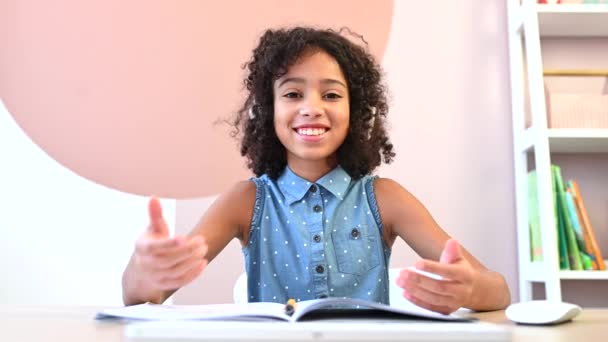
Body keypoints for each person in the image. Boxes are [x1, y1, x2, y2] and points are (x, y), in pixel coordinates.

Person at [121, 26, 511, 314]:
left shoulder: (385, 198)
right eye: (292, 94)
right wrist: (147, 270)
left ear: (354, 111)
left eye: (331, 94)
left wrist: (471, 291)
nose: (312, 107)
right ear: (269, 110)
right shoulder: (245, 200)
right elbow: (142, 298)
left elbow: (499, 291)